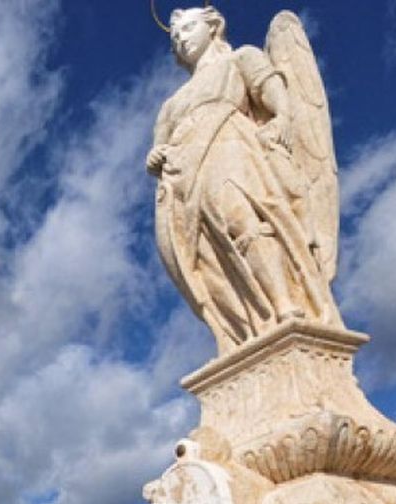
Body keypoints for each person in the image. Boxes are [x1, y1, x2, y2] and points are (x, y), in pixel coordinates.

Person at [147, 6, 343, 354]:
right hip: (184, 175)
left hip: (231, 146)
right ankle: (245, 327)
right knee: (208, 252)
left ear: (212, 27)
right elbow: (159, 147)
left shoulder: (240, 60)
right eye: (176, 36)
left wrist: (282, 120)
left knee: (244, 218)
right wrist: (156, 157)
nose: (182, 38)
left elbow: (274, 96)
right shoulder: (170, 105)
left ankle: (284, 306)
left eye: (189, 28)